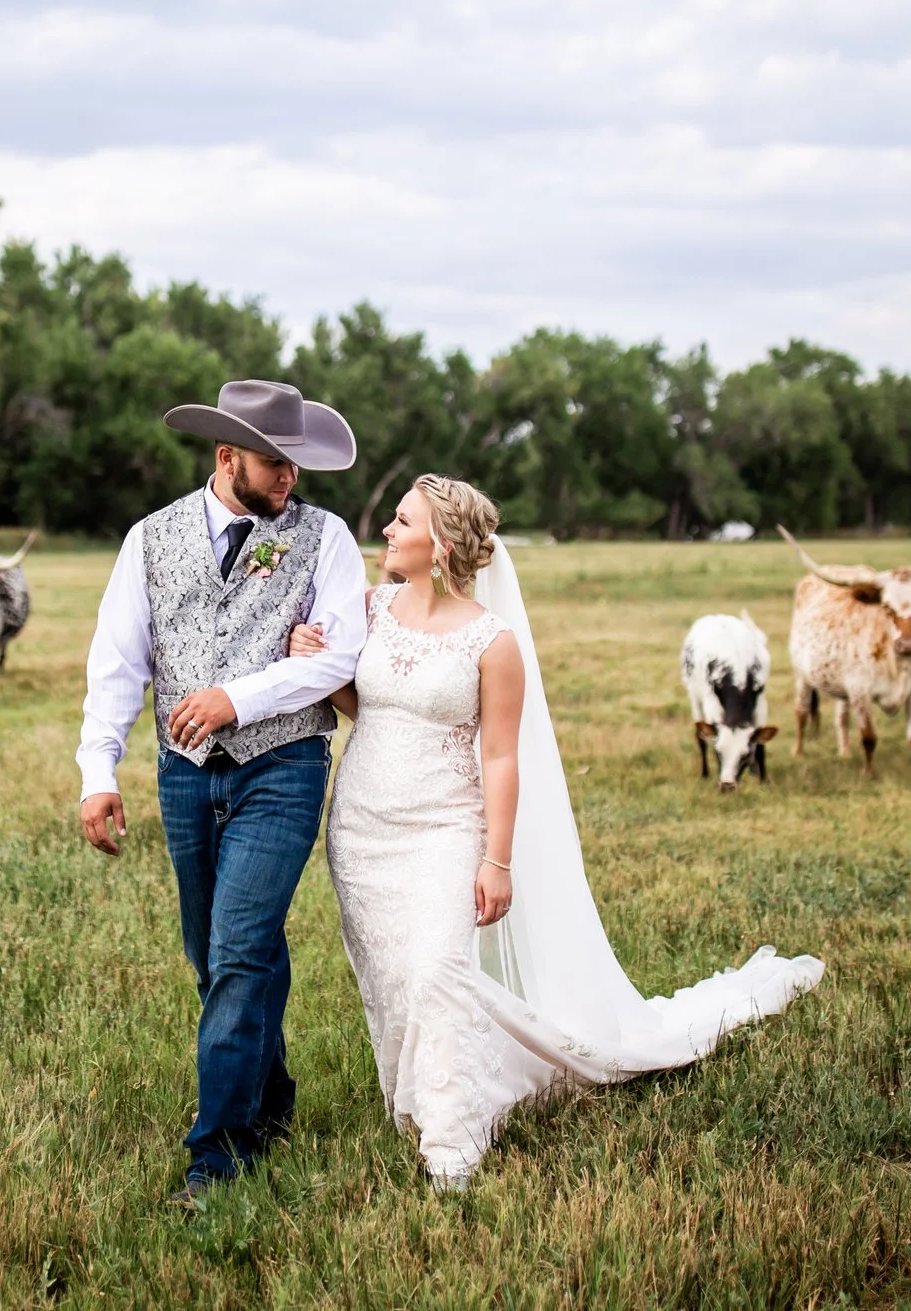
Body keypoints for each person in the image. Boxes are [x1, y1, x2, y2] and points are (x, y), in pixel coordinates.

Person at [295, 474, 825, 1189]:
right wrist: (316, 664)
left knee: (438, 971)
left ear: (441, 543)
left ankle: (453, 1142)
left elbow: (502, 755)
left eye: (401, 521)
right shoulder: (372, 607)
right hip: (361, 828)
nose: (386, 531)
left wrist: (497, 859)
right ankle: (418, 1098)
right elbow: (373, 704)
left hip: (444, 827)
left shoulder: (492, 642)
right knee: (391, 976)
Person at [74, 379, 370, 1208]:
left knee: (240, 946)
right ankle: (270, 1097)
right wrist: (99, 772)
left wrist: (238, 698)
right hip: (183, 772)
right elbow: (118, 661)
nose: (290, 479)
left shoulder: (327, 538)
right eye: (276, 463)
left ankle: (218, 1157)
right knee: (214, 954)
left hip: (285, 763)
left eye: (296, 464)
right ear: (226, 456)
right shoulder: (151, 537)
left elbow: (339, 656)